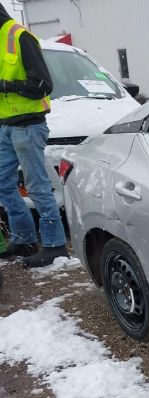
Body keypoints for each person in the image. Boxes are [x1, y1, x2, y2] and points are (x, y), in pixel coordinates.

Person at [0, 3, 67, 268]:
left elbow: (43, 85)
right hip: (5, 126)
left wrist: (5, 86)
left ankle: (55, 245)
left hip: (28, 126)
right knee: (3, 184)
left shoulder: (20, 37)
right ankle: (25, 240)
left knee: (37, 186)